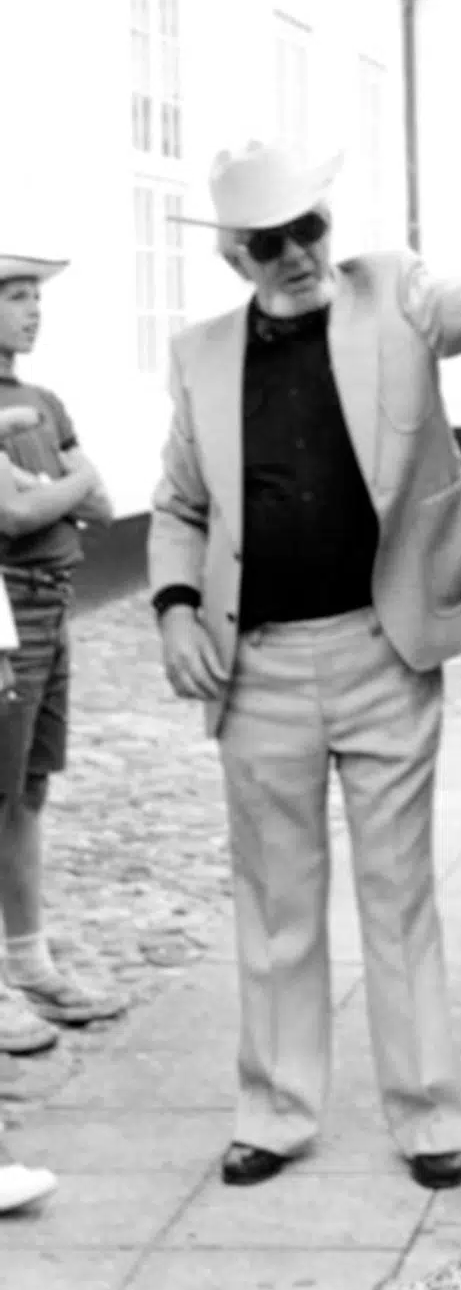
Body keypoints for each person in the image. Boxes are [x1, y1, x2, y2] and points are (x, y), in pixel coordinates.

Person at [149, 142, 461, 1191]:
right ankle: (274, 1106)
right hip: (253, 668)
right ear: (235, 257)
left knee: (399, 892)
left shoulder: (396, 292)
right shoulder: (200, 355)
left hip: (380, 649)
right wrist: (174, 608)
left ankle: (430, 1114)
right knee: (275, 902)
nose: (297, 253)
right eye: (269, 241)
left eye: (309, 228)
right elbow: (178, 503)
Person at [0, 258, 127, 1063]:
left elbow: (106, 503)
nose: (32, 311)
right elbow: (16, 514)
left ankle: (31, 962)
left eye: (35, 297)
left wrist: (67, 486)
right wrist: (70, 481)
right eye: (15, 297)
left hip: (56, 598)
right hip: (9, 605)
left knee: (28, 790)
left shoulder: (43, 402)